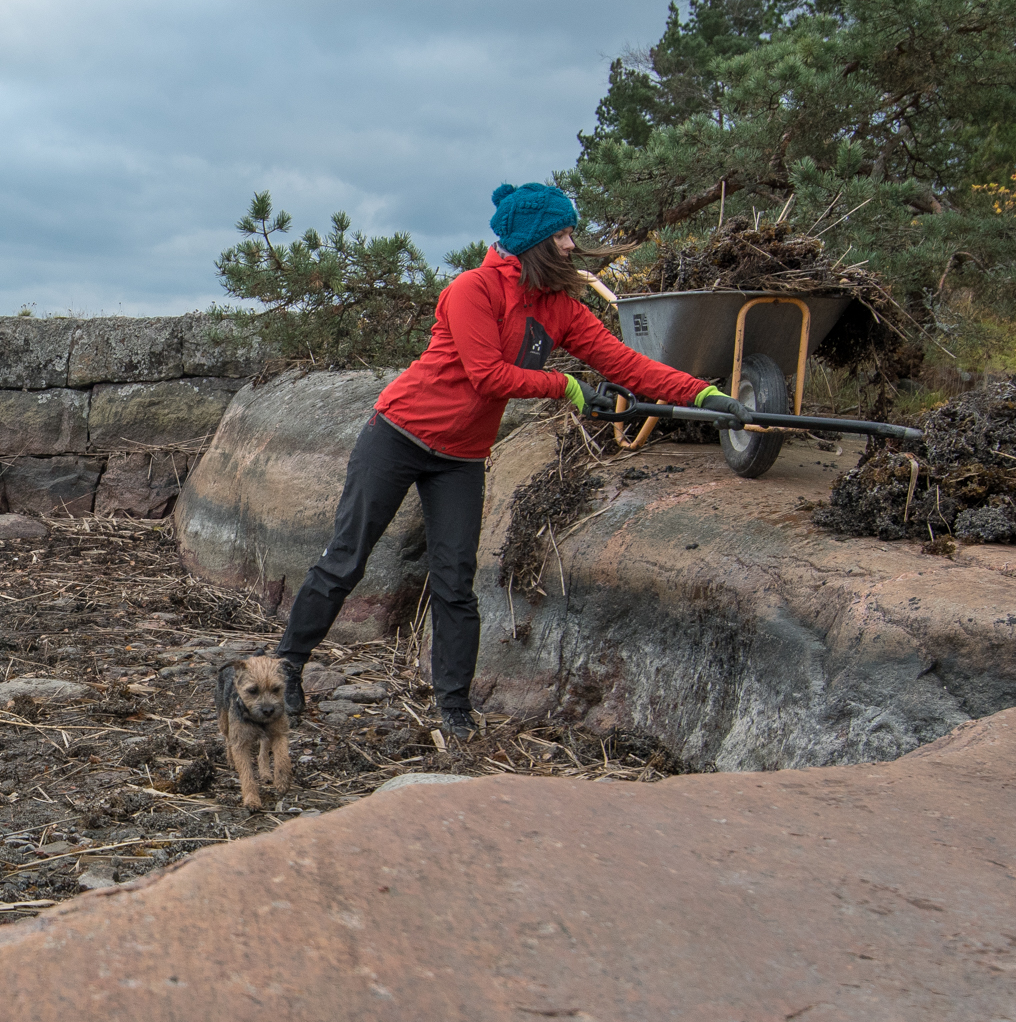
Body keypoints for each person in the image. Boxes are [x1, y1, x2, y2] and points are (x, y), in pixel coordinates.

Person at [271, 182, 750, 738]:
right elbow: (486, 373)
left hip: (461, 457)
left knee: (454, 581)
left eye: (570, 232)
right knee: (346, 560)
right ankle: (288, 666)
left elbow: (627, 364)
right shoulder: (471, 290)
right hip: (398, 434)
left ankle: (453, 710)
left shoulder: (559, 307)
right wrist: (566, 386)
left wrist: (703, 397)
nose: (572, 244)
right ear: (534, 240)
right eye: (563, 234)